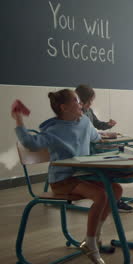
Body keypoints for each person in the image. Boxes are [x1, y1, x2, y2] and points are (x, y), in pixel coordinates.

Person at [12, 89, 123, 264]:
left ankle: (94, 237)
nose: (81, 104)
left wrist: (105, 134)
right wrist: (19, 120)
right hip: (63, 180)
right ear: (64, 107)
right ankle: (92, 243)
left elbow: (95, 137)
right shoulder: (54, 129)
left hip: (84, 175)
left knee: (116, 190)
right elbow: (30, 143)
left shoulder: (85, 122)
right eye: (76, 101)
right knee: (101, 195)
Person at [75, 84, 133, 213]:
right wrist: (104, 135)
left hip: (92, 149)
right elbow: (88, 134)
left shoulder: (88, 111)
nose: (90, 104)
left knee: (113, 160)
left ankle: (114, 199)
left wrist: (108, 125)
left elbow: (96, 125)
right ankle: (114, 200)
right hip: (86, 154)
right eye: (89, 101)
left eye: (91, 101)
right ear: (81, 101)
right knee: (106, 169)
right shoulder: (77, 115)